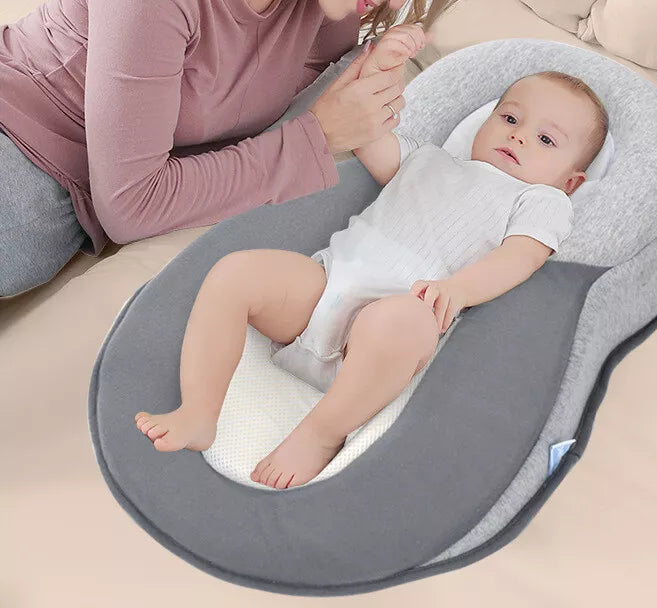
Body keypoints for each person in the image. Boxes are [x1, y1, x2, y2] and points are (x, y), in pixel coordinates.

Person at [0, 0, 495, 298]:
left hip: (53, 212)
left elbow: (251, 146)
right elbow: (133, 204)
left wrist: (363, 75)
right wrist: (317, 135)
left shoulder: (331, 3)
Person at [133, 24, 610, 490]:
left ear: (571, 180)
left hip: (391, 328)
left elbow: (520, 258)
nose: (520, 136)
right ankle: (199, 409)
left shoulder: (543, 202)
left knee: (401, 322)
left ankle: (321, 433)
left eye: (546, 140)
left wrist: (457, 291)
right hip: (322, 291)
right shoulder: (429, 160)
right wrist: (380, 67)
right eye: (509, 118)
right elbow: (364, 135)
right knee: (236, 272)